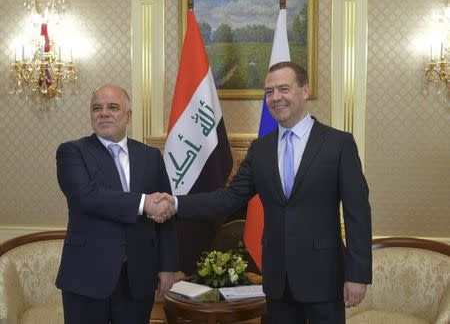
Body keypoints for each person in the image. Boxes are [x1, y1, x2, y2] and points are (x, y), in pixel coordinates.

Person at [153, 62, 372, 324]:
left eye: (284, 89)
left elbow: (358, 213)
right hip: (277, 280)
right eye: (269, 91)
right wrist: (176, 203)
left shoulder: (339, 144)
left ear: (305, 90)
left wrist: (357, 274)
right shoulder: (261, 149)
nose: (276, 97)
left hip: (324, 277)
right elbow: (229, 198)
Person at [55, 84, 177, 324]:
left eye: (113, 107)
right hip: (86, 276)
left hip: (138, 276)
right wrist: (144, 203)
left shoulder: (150, 156)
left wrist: (167, 266)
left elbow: (166, 213)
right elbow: (86, 196)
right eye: (96, 108)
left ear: (128, 116)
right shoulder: (72, 152)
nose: (104, 113)